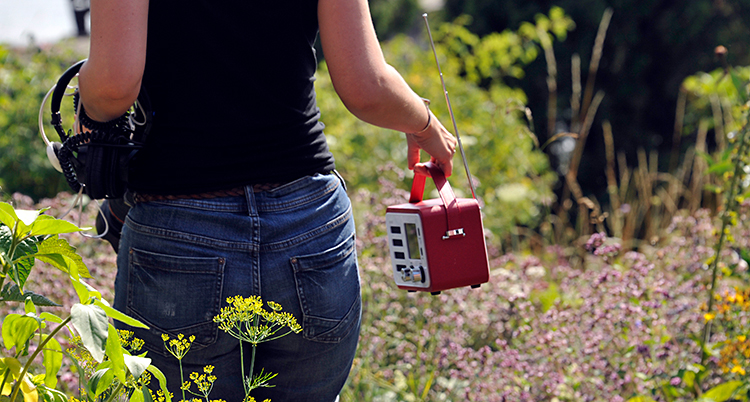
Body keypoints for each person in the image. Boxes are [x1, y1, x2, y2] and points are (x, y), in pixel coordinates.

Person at [76, 0, 457, 400]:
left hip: (179, 231)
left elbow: (111, 88)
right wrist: (425, 125)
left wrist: (87, 98)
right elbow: (367, 87)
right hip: (310, 226)